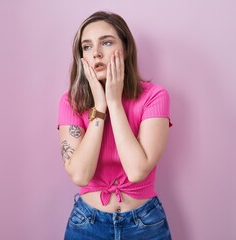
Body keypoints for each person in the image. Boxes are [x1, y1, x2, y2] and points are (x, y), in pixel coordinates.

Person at [58, 11, 172, 240]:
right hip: (87, 224)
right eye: (87, 47)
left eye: (106, 42)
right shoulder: (71, 102)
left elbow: (137, 170)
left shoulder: (155, 96)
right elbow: (80, 175)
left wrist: (114, 102)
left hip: (145, 224)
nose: (96, 53)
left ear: (126, 48)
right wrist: (99, 106)